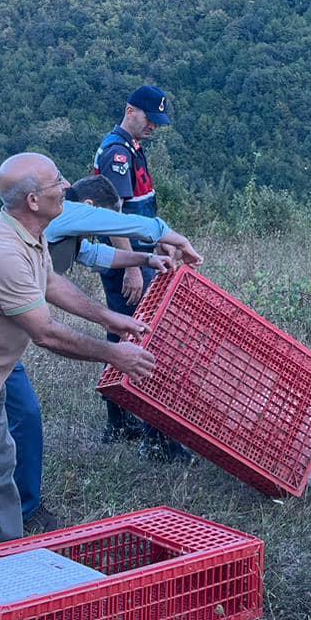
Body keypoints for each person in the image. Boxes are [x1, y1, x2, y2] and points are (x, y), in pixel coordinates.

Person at [0, 153, 167, 557]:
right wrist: (115, 355)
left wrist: (113, 318)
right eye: (57, 183)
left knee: (1, 474)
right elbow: (45, 333)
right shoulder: (2, 251)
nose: (66, 187)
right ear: (32, 200)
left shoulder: (30, 231)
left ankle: (8, 561)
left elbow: (52, 285)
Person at [3, 176, 202, 530]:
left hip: (3, 347)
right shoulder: (63, 215)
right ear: (89, 209)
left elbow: (95, 254)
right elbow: (117, 224)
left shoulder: (54, 234)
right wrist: (165, 234)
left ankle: (20, 507)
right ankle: (20, 510)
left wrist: (143, 259)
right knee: (22, 418)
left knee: (21, 418)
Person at [91, 85, 174, 445]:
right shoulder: (117, 153)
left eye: (157, 121)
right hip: (127, 261)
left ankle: (122, 419)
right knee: (132, 333)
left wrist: (159, 245)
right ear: (130, 111)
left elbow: (142, 208)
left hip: (142, 255)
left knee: (125, 330)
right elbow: (113, 215)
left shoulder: (133, 148)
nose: (152, 127)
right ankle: (131, 424)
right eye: (148, 118)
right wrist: (131, 267)